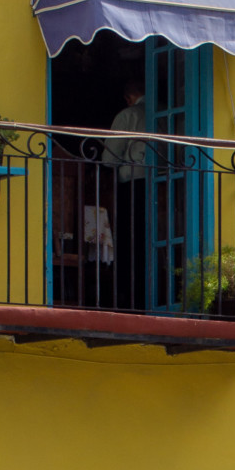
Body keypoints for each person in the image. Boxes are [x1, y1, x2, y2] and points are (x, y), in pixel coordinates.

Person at [102, 76, 149, 309]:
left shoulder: (128, 115)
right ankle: (157, 293)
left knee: (131, 240)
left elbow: (110, 158)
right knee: (151, 239)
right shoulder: (167, 114)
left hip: (134, 183)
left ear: (129, 97)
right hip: (165, 185)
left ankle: (131, 297)